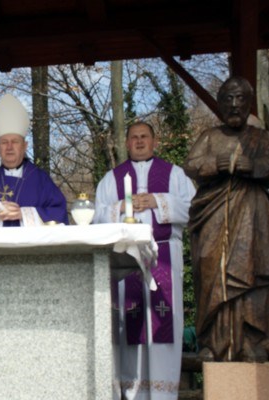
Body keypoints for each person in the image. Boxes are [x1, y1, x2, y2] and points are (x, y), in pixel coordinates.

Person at [184, 76, 269, 363]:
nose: (234, 104)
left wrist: (252, 166)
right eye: (228, 98)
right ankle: (214, 341)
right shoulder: (210, 136)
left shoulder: (260, 138)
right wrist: (216, 164)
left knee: (251, 274)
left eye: (240, 98)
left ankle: (252, 340)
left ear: (249, 102)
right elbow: (190, 164)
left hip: (253, 216)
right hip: (214, 216)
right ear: (219, 104)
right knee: (210, 266)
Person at [93, 121, 195, 399]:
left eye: (144, 137)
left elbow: (194, 209)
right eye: (134, 137)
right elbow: (96, 218)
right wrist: (123, 206)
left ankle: (162, 395)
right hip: (123, 260)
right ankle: (129, 393)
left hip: (163, 256)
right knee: (127, 330)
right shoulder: (111, 179)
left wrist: (158, 202)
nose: (139, 141)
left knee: (162, 327)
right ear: (126, 143)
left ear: (154, 141)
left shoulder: (175, 175)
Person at [0, 94, 68, 226]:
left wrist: (23, 214)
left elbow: (59, 213)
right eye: (4, 142)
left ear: (25, 146)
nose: (9, 147)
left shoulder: (41, 181)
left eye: (15, 142)